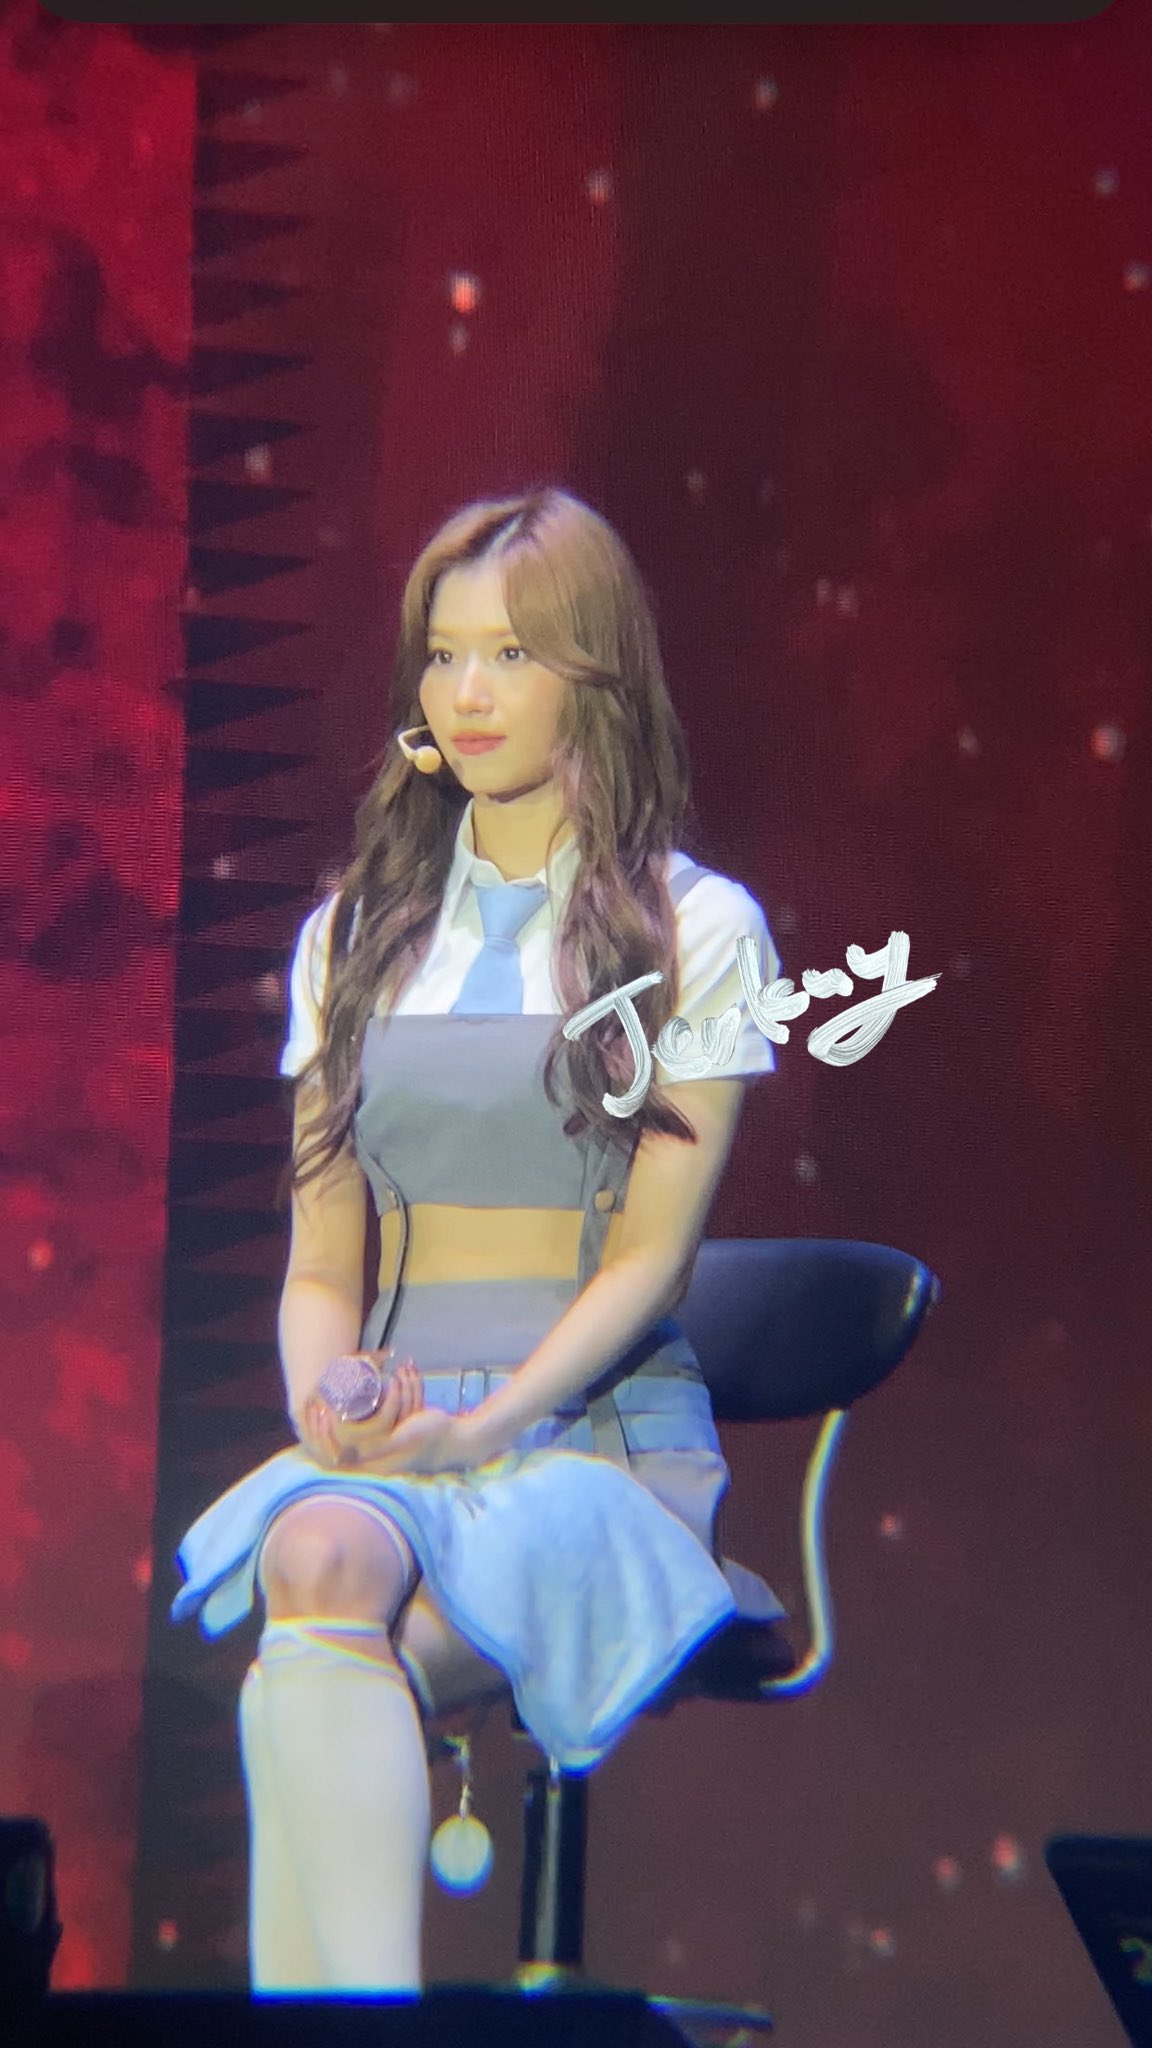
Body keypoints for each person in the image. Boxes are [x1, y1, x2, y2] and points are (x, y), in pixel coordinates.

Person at [170, 486, 788, 1995]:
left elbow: (651, 1262)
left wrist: (486, 1427)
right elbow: (323, 1265)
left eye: (511, 655)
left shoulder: (700, 929)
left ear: (596, 675)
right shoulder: (356, 935)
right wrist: (330, 1400)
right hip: (408, 1434)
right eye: (444, 656)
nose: (468, 693)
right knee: (316, 1546)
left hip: (587, 1441)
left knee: (316, 1637)